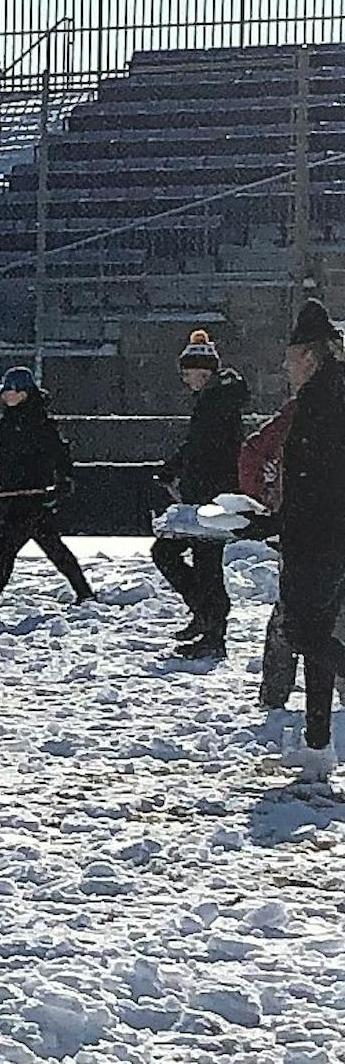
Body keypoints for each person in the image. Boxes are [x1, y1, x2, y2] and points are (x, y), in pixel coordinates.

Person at [0, 366, 95, 617]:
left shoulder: (39, 421)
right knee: (53, 546)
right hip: (19, 494)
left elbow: (60, 453)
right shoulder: (10, 421)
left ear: (21, 392)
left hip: (32, 495)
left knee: (6, 551)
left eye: (8, 391)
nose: (4, 397)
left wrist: (63, 480)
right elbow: (5, 460)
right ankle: (85, 594)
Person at [275, 299, 345, 780]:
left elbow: (316, 478)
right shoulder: (331, 393)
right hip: (325, 532)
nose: (284, 365)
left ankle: (320, 742)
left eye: (291, 355)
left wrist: (277, 521)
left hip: (317, 536)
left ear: (310, 356)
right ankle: (318, 743)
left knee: (303, 632)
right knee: (320, 631)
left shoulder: (320, 401)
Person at [151, 331, 249, 660]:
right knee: (189, 560)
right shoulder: (216, 399)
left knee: (199, 564)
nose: (183, 378)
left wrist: (179, 470)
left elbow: (205, 449)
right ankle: (205, 617)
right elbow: (198, 447)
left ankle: (212, 630)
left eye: (186, 371)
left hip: (210, 497)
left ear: (202, 371)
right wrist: (174, 467)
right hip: (205, 494)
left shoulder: (215, 403)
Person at [242, 395, 298, 710]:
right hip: (312, 526)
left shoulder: (300, 407)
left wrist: (265, 498)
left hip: (302, 527)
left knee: (290, 614)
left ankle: (274, 694)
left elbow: (254, 450)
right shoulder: (305, 408)